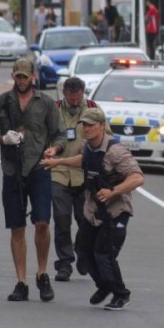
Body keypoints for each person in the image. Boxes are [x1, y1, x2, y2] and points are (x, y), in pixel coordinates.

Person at [41, 108, 145, 311]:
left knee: (103, 253)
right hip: (94, 209)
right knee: (83, 249)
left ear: (101, 126)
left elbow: (137, 177)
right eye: (84, 125)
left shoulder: (116, 150)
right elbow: (83, 160)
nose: (86, 128)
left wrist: (112, 191)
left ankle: (121, 294)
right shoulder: (88, 146)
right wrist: (58, 162)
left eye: (90, 125)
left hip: (116, 210)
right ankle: (104, 286)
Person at [0, 58, 67, 302]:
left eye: (24, 77)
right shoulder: (1, 103)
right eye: (17, 76)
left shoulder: (46, 103)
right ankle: (21, 281)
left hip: (39, 168)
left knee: (42, 222)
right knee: (17, 227)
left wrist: (56, 150)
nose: (21, 80)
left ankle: (42, 273)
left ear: (33, 77)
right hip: (12, 170)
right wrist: (1, 139)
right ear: (13, 76)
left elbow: (60, 134)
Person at [50, 77, 109, 282]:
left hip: (85, 175)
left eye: (78, 98)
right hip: (59, 172)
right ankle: (64, 263)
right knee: (61, 218)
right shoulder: (55, 108)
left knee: (85, 220)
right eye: (71, 98)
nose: (75, 102)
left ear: (83, 93)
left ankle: (83, 253)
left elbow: (107, 137)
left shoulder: (93, 109)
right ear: (64, 94)